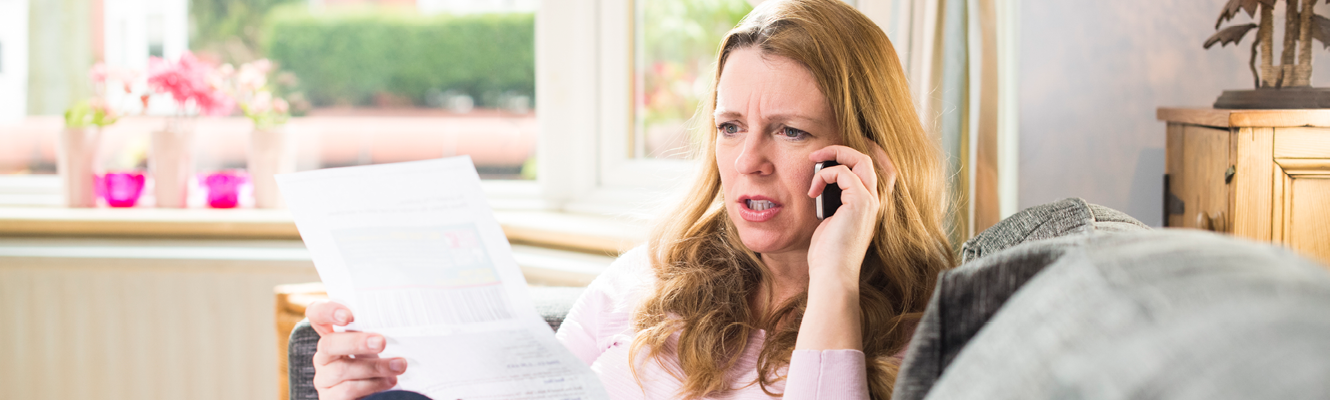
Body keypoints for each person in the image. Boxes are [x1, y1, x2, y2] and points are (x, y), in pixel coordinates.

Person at [305, 0, 955, 398]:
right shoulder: (650, 277)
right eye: (730, 127)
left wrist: (835, 277)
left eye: (790, 131)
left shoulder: (925, 323)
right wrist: (375, 389)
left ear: (864, 157)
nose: (749, 162)